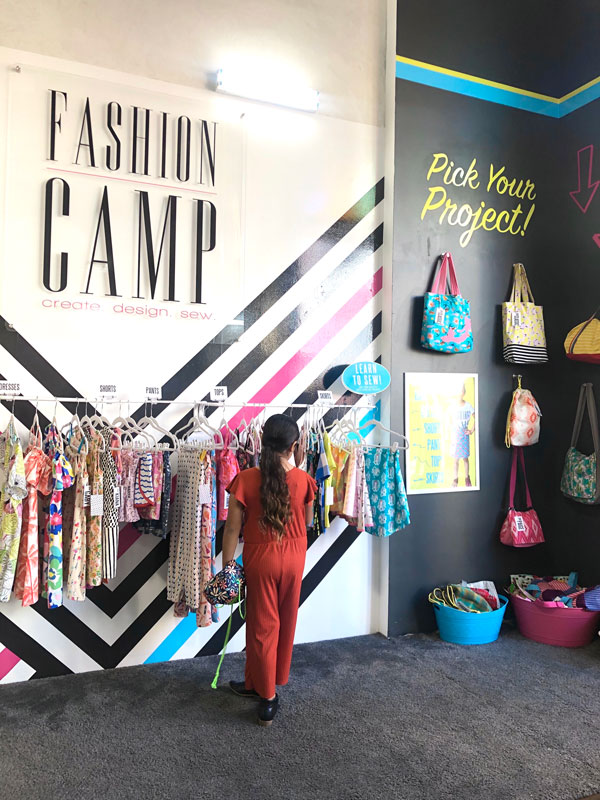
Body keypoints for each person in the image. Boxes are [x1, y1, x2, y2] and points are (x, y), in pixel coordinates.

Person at [221, 414, 317, 727]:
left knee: (262, 625)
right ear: (294, 446)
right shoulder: (304, 481)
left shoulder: (246, 479)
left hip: (261, 556)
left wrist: (227, 568)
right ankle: (257, 682)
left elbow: (232, 531)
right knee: (284, 620)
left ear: (262, 440)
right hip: (294, 555)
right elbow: (306, 523)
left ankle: (268, 697)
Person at [449, 382, 475, 487]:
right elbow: (448, 419)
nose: (459, 393)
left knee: (465, 458)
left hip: (464, 434)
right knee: (455, 459)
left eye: (461, 391)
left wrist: (471, 430)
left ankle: (467, 477)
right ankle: (455, 479)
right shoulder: (453, 406)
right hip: (455, 434)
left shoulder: (468, 406)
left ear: (464, 392)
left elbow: (476, 417)